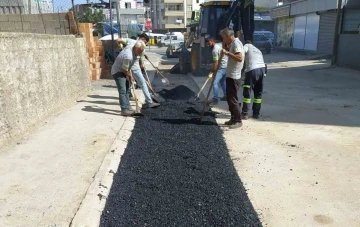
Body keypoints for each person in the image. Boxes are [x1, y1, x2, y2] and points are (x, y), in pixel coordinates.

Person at [118, 33, 160, 108]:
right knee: (143, 84)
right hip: (134, 67)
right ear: (143, 39)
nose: (145, 44)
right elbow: (141, 59)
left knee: (129, 82)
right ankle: (149, 102)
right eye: (146, 42)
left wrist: (120, 46)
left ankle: (130, 96)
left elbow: (118, 40)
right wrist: (142, 65)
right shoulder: (137, 44)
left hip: (127, 65)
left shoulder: (131, 41)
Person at [111, 41, 146, 116]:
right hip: (118, 71)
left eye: (141, 52)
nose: (140, 54)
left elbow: (127, 68)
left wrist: (130, 75)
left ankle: (128, 106)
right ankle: (124, 109)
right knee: (123, 90)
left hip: (124, 70)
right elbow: (124, 70)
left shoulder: (133, 47)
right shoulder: (128, 56)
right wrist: (130, 76)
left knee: (127, 89)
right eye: (139, 51)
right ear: (136, 48)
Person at [220, 28, 245, 129]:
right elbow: (226, 48)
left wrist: (226, 53)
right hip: (230, 75)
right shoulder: (232, 44)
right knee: (230, 99)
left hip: (234, 76)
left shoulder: (236, 44)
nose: (223, 40)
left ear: (229, 36)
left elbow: (239, 58)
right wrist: (225, 46)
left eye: (224, 37)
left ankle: (238, 120)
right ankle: (233, 118)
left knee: (233, 99)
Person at [241, 40, 266, 119]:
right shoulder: (258, 50)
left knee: (247, 92)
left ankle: (245, 113)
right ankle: (256, 113)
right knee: (258, 93)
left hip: (252, 70)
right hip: (262, 70)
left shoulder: (246, 46)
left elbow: (241, 54)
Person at [205, 37, 228, 105]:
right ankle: (226, 95)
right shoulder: (220, 44)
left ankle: (215, 99)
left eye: (209, 43)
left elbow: (216, 62)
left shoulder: (214, 50)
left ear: (212, 41)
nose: (208, 45)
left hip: (222, 67)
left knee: (215, 82)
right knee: (222, 81)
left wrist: (213, 71)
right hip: (226, 65)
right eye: (207, 44)